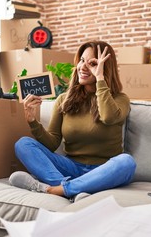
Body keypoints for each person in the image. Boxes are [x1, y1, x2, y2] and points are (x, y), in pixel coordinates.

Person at [9, 40, 136, 201]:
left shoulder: (119, 99)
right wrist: (33, 121)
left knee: (127, 162)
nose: (83, 67)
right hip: (70, 167)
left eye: (92, 63)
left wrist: (100, 79)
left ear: (104, 68)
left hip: (103, 170)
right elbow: (53, 143)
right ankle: (71, 189)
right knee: (23, 144)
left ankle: (54, 190)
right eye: (82, 60)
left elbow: (109, 117)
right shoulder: (64, 99)